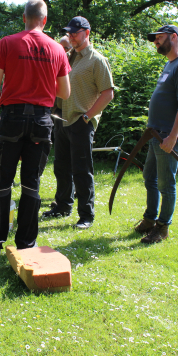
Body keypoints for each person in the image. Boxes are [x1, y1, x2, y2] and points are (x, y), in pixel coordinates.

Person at [0, 0, 71, 257]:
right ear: (45, 20)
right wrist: (40, 92)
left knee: (2, 182)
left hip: (12, 118)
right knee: (31, 183)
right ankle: (26, 245)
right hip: (41, 121)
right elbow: (64, 91)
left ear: (23, 17)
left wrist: (0, 99)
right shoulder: (57, 49)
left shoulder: (7, 43)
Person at [42, 16, 115, 229]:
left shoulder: (97, 60)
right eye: (70, 33)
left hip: (81, 122)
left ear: (87, 33)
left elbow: (108, 94)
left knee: (82, 170)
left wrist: (87, 116)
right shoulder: (67, 57)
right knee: (61, 167)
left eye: (76, 32)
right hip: (61, 120)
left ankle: (86, 216)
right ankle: (63, 206)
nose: (72, 36)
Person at [134, 25, 178, 243]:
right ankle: (150, 219)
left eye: (159, 38)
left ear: (174, 37)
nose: (156, 42)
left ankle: (162, 228)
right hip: (156, 133)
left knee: (165, 183)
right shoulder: (170, 65)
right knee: (149, 177)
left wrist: (172, 136)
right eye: (155, 39)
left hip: (167, 135)